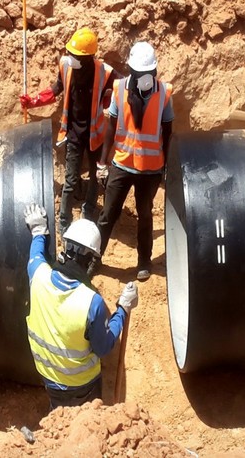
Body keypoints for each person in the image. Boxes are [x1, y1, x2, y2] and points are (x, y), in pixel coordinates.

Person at [23, 203, 138, 409]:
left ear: (65, 245)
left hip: (48, 377)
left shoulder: (38, 275)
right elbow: (103, 347)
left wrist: (39, 230)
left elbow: (36, 254)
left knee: (58, 417)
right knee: (87, 422)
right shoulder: (91, 302)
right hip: (82, 386)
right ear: (91, 259)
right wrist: (122, 309)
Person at [20, 27, 118, 235]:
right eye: (70, 53)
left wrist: (111, 99)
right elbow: (55, 89)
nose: (70, 57)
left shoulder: (105, 72)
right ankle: (64, 220)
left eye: (75, 55)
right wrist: (34, 101)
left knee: (95, 177)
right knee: (71, 179)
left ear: (88, 57)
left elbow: (124, 88)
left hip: (95, 135)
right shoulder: (66, 65)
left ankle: (88, 214)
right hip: (73, 133)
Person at [91, 42, 174, 281]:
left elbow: (167, 132)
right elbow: (111, 127)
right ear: (132, 70)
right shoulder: (120, 89)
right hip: (122, 164)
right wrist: (102, 162)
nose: (145, 77)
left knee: (145, 215)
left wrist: (166, 166)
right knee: (108, 213)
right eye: (140, 72)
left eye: (149, 72)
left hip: (150, 169)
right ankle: (94, 258)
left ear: (154, 71)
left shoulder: (164, 93)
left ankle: (144, 261)